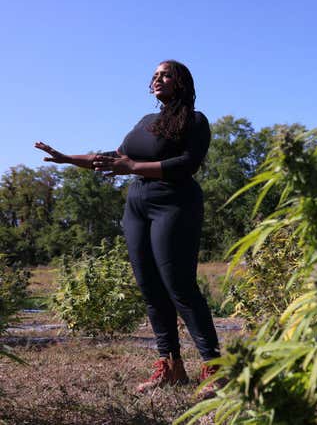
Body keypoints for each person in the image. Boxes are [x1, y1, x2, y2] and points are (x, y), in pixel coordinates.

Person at [35, 60, 223, 394]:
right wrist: (67, 159)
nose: (158, 79)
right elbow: (114, 157)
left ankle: (216, 371)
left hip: (175, 203)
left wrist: (133, 165)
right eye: (154, 75)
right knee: (150, 287)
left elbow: (187, 163)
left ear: (181, 82)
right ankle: (170, 367)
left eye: (166, 74)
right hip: (137, 203)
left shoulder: (195, 120)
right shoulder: (145, 122)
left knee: (179, 286)